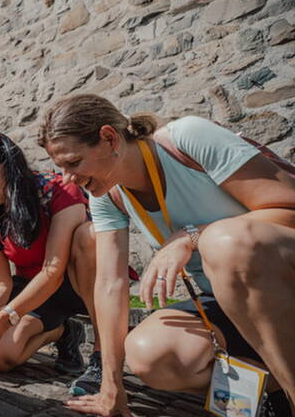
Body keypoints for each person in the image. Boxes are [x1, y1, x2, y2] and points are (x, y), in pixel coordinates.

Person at [39, 94, 295, 416]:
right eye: (60, 168)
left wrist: (192, 236)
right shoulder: (106, 193)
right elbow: (109, 285)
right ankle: (276, 386)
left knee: (223, 241)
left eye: (73, 163)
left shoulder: (187, 137)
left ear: (109, 138)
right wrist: (112, 384)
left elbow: (288, 207)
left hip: (282, 281)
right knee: (150, 354)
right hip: (230, 301)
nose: (67, 179)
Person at [0, 131, 102, 395]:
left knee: (90, 235)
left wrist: (4, 319)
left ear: (11, 169)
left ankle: (102, 356)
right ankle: (62, 332)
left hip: (74, 284)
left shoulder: (59, 189)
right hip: (32, 289)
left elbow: (53, 270)